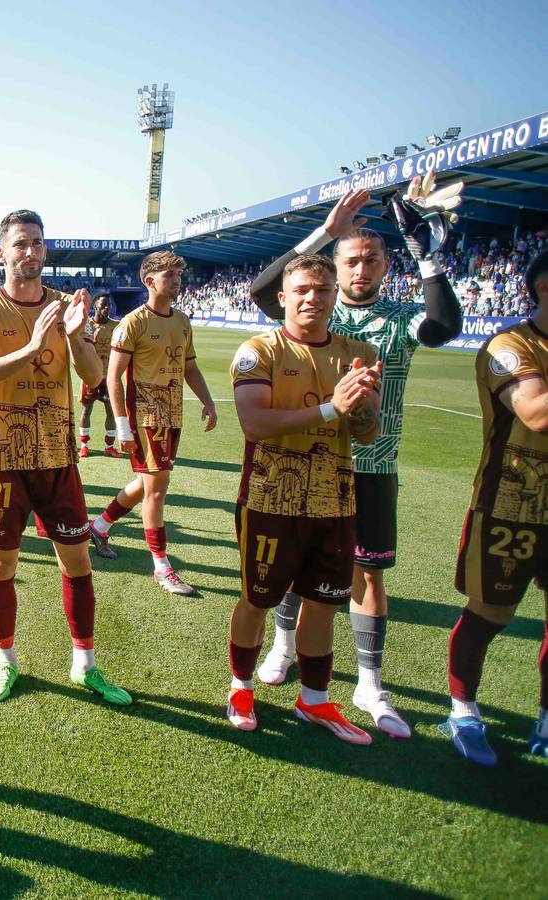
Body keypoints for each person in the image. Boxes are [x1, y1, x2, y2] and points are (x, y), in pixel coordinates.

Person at [251, 184, 464, 738]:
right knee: (297, 568)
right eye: (351, 259)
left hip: (373, 467)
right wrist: (327, 229)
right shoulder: (319, 308)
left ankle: (370, 682)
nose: (360, 269)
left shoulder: (399, 319)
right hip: (313, 463)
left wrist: (428, 255)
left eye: (372, 259)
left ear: (387, 265)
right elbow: (264, 288)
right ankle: (283, 647)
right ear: (336, 266)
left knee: (367, 575)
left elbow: (444, 326)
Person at [0, 210, 128, 706]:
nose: (30, 251)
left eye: (36, 242)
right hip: (3, 457)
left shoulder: (64, 306)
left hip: (57, 457)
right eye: (20, 244)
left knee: (78, 562)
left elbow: (94, 376)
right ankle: (7, 662)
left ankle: (85, 665)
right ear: (2, 253)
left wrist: (75, 335)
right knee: (1, 566)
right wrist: (35, 344)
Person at [225, 253, 380, 744]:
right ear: (284, 297)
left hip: (334, 501)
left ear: (336, 294)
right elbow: (256, 423)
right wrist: (334, 408)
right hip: (271, 499)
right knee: (257, 598)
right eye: (304, 290)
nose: (314, 298)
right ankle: (241, 686)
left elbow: (370, 434)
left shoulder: (358, 350)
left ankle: (315, 701)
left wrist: (358, 406)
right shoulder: (259, 350)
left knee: (323, 604)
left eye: (324, 289)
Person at [440, 250, 548, 766]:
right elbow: (535, 411)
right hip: (510, 506)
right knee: (490, 614)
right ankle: (463, 709)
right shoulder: (510, 346)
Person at [89, 251, 217, 595]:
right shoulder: (133, 322)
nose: (177, 281)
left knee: (147, 483)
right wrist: (123, 426)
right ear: (150, 281)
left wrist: (207, 401)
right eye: (170, 276)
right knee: (157, 487)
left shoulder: (183, 321)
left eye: (179, 275)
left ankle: (99, 526)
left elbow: (189, 367)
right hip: (145, 415)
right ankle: (161, 566)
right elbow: (113, 378)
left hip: (173, 414)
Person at [77, 292, 119, 458]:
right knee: (86, 410)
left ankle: (109, 446)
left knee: (111, 410)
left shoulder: (116, 325)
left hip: (108, 376)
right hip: (90, 375)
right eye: (103, 305)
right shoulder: (87, 325)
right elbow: (78, 347)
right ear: (95, 306)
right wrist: (89, 342)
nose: (107, 308)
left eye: (109, 305)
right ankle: (84, 445)